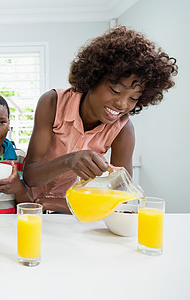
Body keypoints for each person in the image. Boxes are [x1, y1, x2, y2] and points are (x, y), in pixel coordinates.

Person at [23, 26, 178, 213]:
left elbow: (120, 194)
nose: (122, 104)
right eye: (115, 90)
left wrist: (60, 205)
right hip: (29, 209)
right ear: (93, 78)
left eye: (133, 98)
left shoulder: (123, 129)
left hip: (73, 215)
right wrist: (68, 161)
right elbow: (31, 175)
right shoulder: (53, 102)